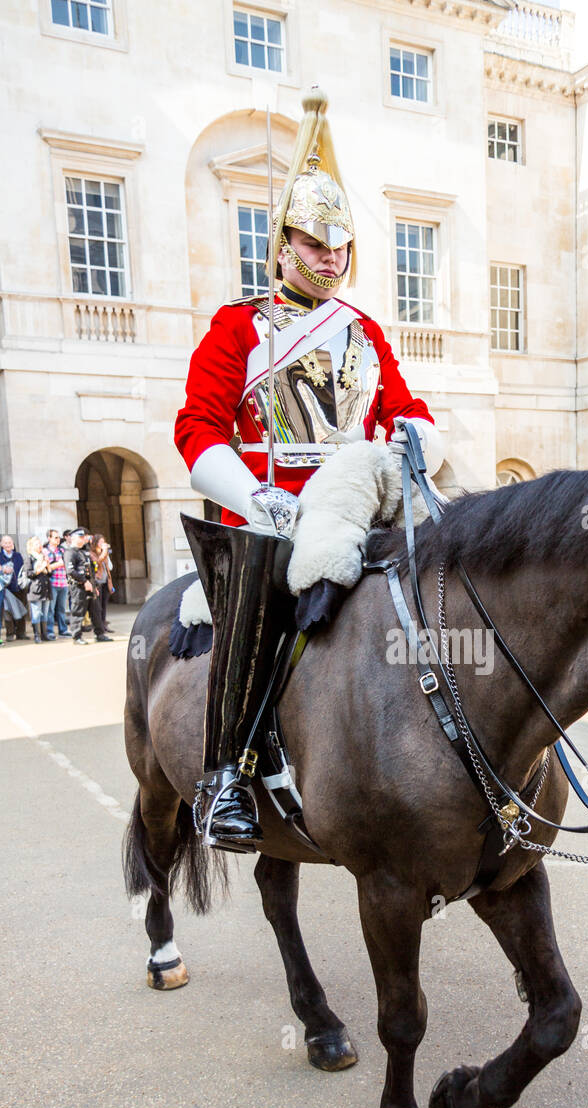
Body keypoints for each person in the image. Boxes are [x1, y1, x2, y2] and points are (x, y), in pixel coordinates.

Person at [174, 87, 444, 853]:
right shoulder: (239, 327)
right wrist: (253, 497)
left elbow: (403, 405)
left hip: (358, 502)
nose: (330, 260)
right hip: (270, 513)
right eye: (315, 245)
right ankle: (225, 774)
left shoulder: (362, 330)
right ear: (283, 244)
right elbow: (197, 427)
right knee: (257, 597)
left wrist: (412, 442)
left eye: (341, 248)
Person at [65, 529, 111, 645]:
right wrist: (84, 582)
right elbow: (70, 571)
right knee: (78, 611)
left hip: (90, 585)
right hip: (79, 586)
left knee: (96, 610)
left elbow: (90, 570)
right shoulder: (70, 552)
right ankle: (76, 636)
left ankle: (99, 634)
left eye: (84, 537)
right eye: (81, 537)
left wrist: (93, 585)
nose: (83, 539)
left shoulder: (84, 551)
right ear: (74, 538)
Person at [23, 536, 54, 642]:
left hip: (46, 588)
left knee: (45, 613)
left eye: (40, 544)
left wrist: (48, 565)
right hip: (35, 589)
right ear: (32, 546)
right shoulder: (30, 558)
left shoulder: (43, 557)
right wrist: (41, 568)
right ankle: (37, 635)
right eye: (37, 544)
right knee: (36, 613)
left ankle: (44, 634)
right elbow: (29, 573)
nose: (40, 546)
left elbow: (50, 574)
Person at [1, 535, 29, 640]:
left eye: (10, 543)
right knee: (8, 612)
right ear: (1, 544)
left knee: (22, 609)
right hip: (6, 588)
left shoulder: (18, 555)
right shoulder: (0, 556)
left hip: (19, 588)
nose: (8, 545)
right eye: (6, 543)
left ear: (13, 545)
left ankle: (21, 633)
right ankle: (10, 634)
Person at [44, 529, 70, 637]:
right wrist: (59, 564)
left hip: (63, 583)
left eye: (58, 537)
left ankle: (63, 630)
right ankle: (49, 631)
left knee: (62, 609)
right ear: (49, 538)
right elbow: (46, 568)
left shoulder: (62, 550)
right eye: (55, 537)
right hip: (52, 584)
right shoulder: (45, 551)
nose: (58, 539)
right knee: (50, 609)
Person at [90, 533, 114, 630]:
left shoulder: (105, 553)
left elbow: (110, 567)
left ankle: (104, 624)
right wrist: (104, 552)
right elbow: (97, 562)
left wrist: (106, 555)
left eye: (103, 542)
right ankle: (98, 625)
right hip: (98, 582)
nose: (103, 544)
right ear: (96, 542)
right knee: (98, 606)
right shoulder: (92, 554)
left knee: (104, 605)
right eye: (100, 542)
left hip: (106, 581)